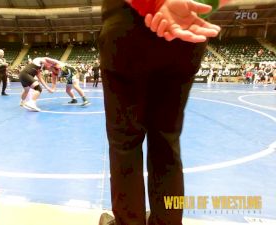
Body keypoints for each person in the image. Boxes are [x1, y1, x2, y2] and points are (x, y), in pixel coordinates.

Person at [97, 0, 229, 225]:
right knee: (167, 141)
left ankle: (128, 222)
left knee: (125, 144)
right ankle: (168, 220)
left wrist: (155, 4)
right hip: (185, 35)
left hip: (128, 30)